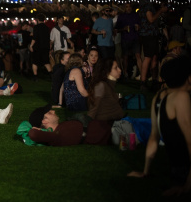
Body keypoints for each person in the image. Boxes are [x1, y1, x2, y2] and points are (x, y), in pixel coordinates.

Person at [127, 56, 191, 197]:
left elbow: (154, 137)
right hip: (184, 172)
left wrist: (145, 171)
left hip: (176, 171)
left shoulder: (159, 97)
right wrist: (187, 186)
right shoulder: (181, 97)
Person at [26, 103, 115, 146]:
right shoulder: (56, 136)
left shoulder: (61, 126)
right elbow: (33, 134)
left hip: (112, 126)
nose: (53, 111)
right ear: (44, 121)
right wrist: (36, 129)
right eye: (49, 113)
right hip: (114, 132)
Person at [137, 0, 168, 91]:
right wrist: (160, 11)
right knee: (148, 57)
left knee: (154, 57)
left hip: (151, 33)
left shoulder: (145, 2)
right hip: (148, 34)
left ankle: (154, 81)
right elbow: (150, 19)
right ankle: (143, 82)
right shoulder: (146, 2)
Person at [87, 57, 126, 121]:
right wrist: (86, 125)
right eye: (116, 68)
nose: (119, 70)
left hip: (115, 121)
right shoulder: (101, 85)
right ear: (107, 71)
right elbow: (94, 108)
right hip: (106, 125)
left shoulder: (109, 84)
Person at [116, 3, 141, 79]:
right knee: (125, 57)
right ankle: (125, 73)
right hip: (125, 39)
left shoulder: (136, 15)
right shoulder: (121, 16)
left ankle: (141, 73)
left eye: (130, 6)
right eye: (127, 7)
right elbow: (117, 29)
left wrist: (138, 27)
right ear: (125, 8)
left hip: (135, 38)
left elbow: (141, 26)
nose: (128, 8)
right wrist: (123, 29)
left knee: (138, 56)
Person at [29, 13, 52, 81]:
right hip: (45, 47)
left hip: (37, 47)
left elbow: (34, 38)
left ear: (37, 19)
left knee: (35, 62)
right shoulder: (47, 28)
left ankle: (35, 76)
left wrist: (31, 45)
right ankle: (51, 75)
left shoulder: (36, 27)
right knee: (46, 62)